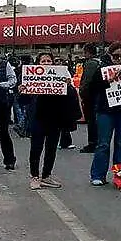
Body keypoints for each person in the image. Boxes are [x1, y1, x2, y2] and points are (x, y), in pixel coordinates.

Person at [23, 53, 79, 189]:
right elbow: (23, 101)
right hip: (38, 118)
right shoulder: (32, 78)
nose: (46, 63)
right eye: (43, 61)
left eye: (49, 60)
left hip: (55, 118)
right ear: (38, 64)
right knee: (36, 148)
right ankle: (34, 176)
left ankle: (46, 175)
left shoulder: (61, 76)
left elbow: (71, 97)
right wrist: (23, 91)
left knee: (51, 148)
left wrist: (68, 86)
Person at [90, 42, 121, 186]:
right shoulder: (101, 69)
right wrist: (107, 81)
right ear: (110, 55)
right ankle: (98, 175)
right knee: (103, 144)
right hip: (106, 111)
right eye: (116, 56)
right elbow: (92, 88)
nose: (119, 59)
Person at [78, 44, 102, 153]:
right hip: (96, 94)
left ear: (88, 52)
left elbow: (87, 80)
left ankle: (92, 143)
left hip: (90, 95)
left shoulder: (91, 63)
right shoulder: (98, 62)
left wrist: (82, 93)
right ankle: (95, 142)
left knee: (91, 120)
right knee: (94, 120)